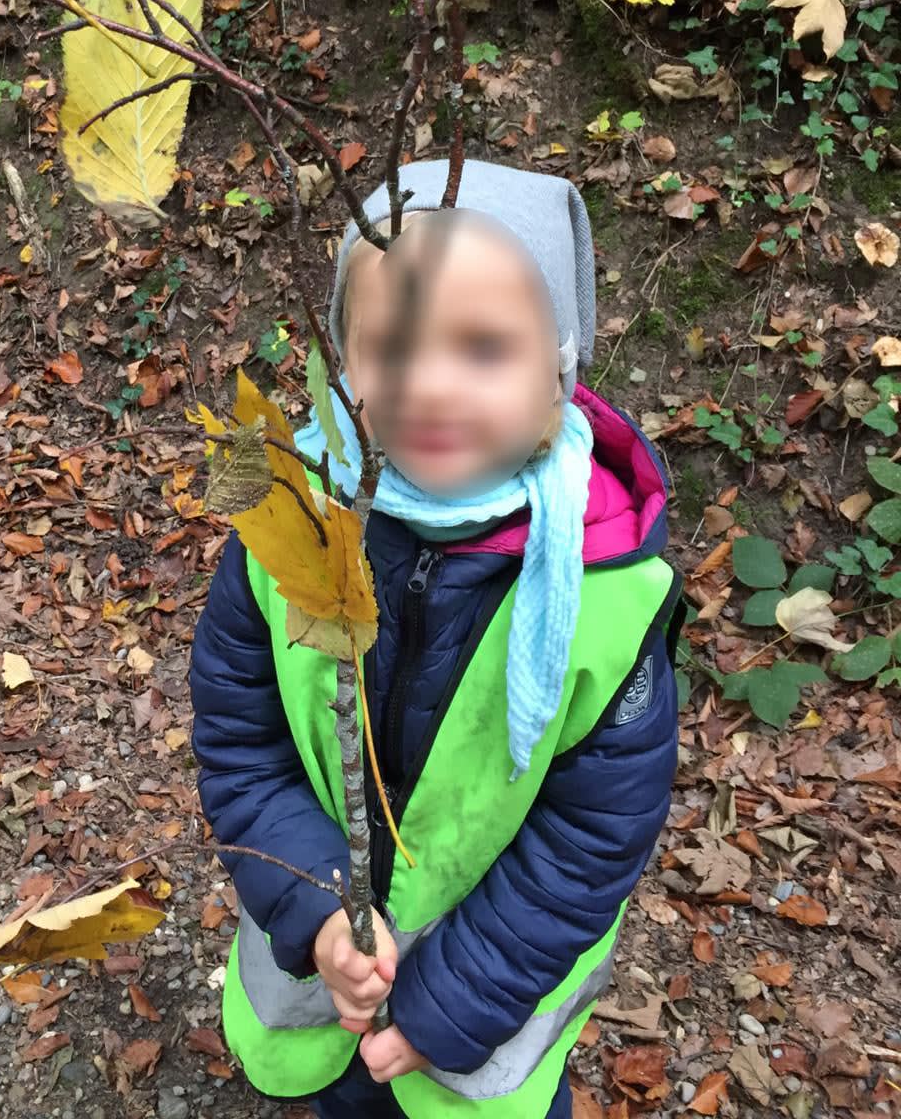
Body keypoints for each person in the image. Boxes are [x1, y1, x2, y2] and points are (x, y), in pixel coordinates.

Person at [189, 158, 683, 1119]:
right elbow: (239, 742)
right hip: (331, 979)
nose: (432, 385)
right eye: (393, 346)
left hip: (483, 1012)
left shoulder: (607, 592)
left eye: (484, 348)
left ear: (559, 366)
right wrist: (317, 914)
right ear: (343, 357)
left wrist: (449, 1003)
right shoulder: (280, 516)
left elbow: (591, 838)